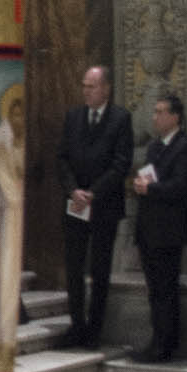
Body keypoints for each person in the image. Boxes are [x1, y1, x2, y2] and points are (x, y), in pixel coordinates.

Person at [57, 59, 134, 349]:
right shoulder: (74, 116)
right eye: (84, 86)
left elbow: (121, 163)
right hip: (75, 204)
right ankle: (76, 325)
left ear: (106, 89)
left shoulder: (120, 119)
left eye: (92, 86)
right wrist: (73, 190)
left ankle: (94, 330)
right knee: (74, 267)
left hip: (103, 205)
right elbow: (62, 157)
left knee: (100, 269)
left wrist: (93, 192)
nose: (86, 91)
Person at [130, 88, 187, 363]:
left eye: (160, 112)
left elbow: (181, 186)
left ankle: (165, 345)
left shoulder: (184, 147)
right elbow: (151, 179)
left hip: (169, 231)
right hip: (149, 228)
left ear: (175, 117)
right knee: (154, 290)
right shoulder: (155, 147)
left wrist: (151, 189)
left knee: (166, 289)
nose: (154, 117)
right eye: (154, 112)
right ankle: (157, 339)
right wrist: (141, 185)